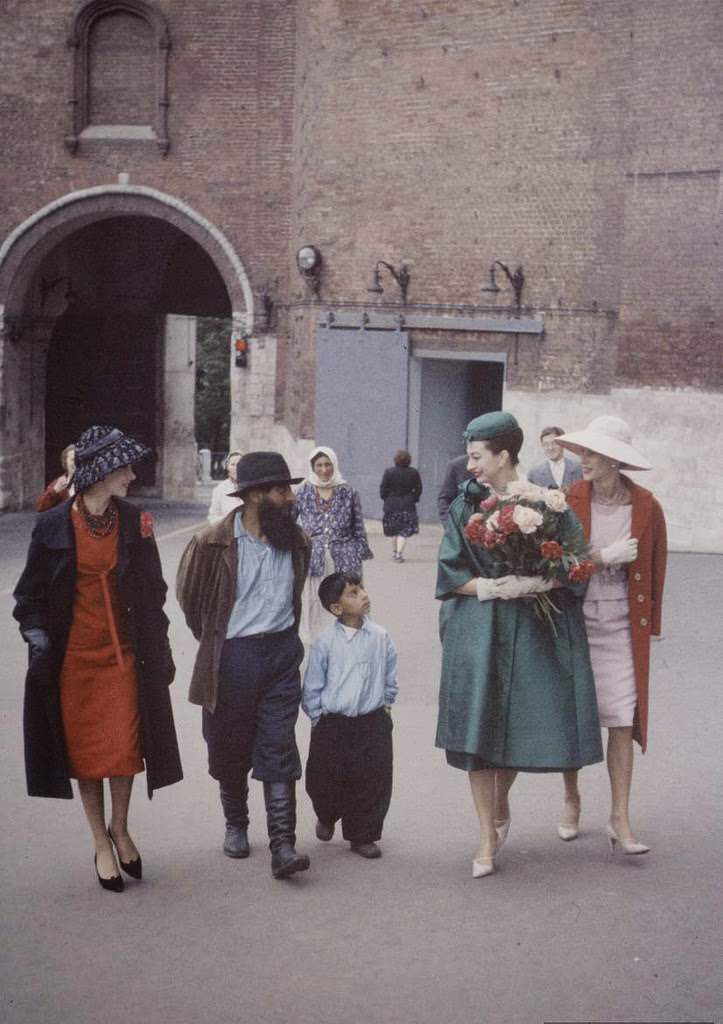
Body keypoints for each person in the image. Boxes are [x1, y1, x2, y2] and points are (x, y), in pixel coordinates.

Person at [14, 425, 182, 893]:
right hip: (74, 660)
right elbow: (27, 597)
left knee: (125, 748)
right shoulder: (52, 526)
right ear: (101, 472)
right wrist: (39, 640)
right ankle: (100, 842)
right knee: (87, 755)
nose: (131, 475)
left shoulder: (133, 522)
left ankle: (121, 827)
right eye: (124, 467)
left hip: (123, 655)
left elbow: (154, 594)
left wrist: (160, 648)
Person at [436, 411, 603, 878]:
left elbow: (576, 563)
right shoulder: (466, 507)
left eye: (476, 456)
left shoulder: (549, 504)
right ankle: (487, 834)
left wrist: (538, 580)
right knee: (477, 728)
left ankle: (501, 800)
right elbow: (449, 573)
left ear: (503, 455)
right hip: (479, 629)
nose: (469, 465)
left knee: (513, 724)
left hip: (530, 629)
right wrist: (490, 588)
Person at [176, 451, 312, 879]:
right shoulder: (211, 542)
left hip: (281, 655)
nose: (289, 497)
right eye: (280, 489)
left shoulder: (296, 540)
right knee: (230, 746)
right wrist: (218, 642)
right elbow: (191, 600)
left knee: (278, 745)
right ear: (253, 495)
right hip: (231, 656)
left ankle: (283, 846)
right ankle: (236, 823)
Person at [553, 416, 667, 854]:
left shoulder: (647, 506)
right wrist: (601, 556)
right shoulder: (567, 499)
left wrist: (652, 626)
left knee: (622, 719)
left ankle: (619, 817)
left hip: (621, 624)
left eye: (594, 453)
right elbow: (556, 563)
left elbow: (656, 565)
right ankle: (571, 799)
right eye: (584, 451)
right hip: (576, 620)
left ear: (616, 462)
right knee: (575, 715)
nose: (584, 459)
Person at [302, 571, 397, 860]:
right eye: (353, 593)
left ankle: (363, 834)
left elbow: (390, 676)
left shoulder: (380, 637)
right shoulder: (325, 642)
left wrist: (386, 705)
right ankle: (327, 814)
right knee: (324, 780)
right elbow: (313, 684)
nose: (364, 595)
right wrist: (318, 717)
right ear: (336, 608)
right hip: (333, 724)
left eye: (362, 589)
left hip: (372, 721)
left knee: (372, 780)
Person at [295, 446, 373, 642]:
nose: (324, 470)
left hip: (345, 556)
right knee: (317, 601)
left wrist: (359, 551)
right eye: (319, 465)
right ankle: (320, 641)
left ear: (334, 465)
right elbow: (289, 522)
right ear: (312, 467)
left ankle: (350, 639)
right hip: (315, 557)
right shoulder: (303, 490)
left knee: (346, 598)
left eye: (328, 464)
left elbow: (357, 524)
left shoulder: (348, 491)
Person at [379, 449, 423, 562]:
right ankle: (399, 553)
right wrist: (414, 498)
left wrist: (386, 498)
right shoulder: (414, 472)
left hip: (391, 504)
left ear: (395, 460)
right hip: (407, 504)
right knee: (404, 531)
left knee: (393, 530)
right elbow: (419, 488)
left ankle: (394, 552)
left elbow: (383, 488)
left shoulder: (389, 472)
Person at [527, 426, 583, 490]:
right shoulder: (534, 474)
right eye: (546, 444)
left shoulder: (579, 469)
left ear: (563, 444)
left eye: (554, 443)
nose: (550, 448)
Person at [207, 450, 243, 524]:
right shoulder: (220, 489)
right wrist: (229, 519)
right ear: (227, 467)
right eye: (232, 464)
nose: (236, 468)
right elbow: (212, 518)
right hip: (226, 531)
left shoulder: (251, 487)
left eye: (239, 464)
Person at [36, 443, 76, 511]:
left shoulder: (90, 482)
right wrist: (54, 491)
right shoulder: (59, 482)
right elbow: (40, 506)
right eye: (73, 459)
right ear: (65, 461)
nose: (76, 463)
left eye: (79, 459)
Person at [437, 453, 472, 522]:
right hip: (464, 526)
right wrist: (451, 524)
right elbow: (445, 498)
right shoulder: (458, 465)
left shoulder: (497, 464)